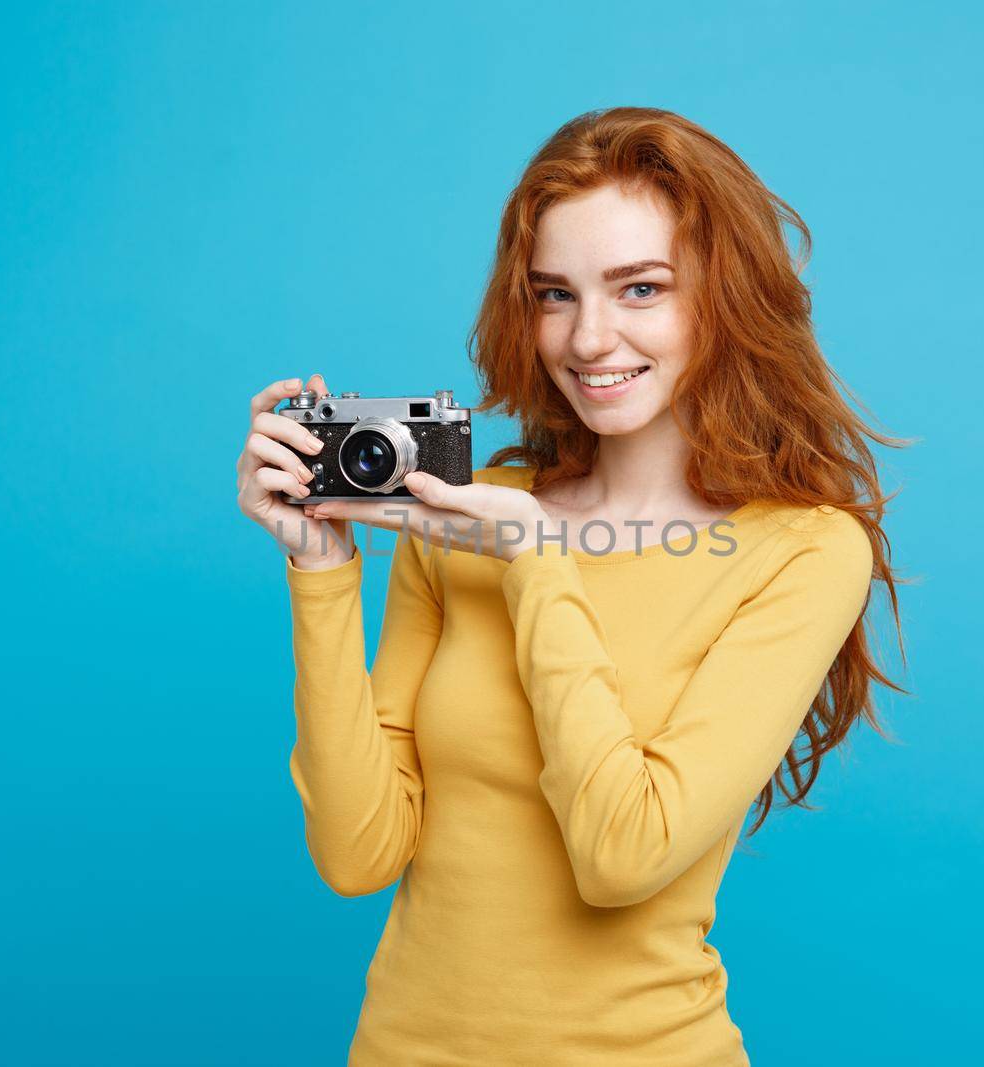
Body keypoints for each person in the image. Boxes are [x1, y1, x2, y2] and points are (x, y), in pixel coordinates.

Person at [236, 106, 911, 1065]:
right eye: (556, 294)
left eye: (641, 288)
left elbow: (621, 854)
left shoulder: (804, 552)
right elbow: (359, 852)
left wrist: (537, 557)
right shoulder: (470, 516)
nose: (590, 338)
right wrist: (322, 567)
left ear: (726, 295)